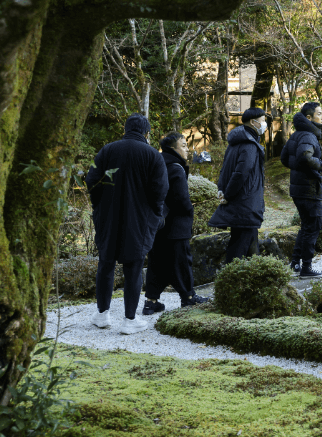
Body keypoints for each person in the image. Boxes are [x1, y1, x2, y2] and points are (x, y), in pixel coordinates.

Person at [85, 113, 168, 334]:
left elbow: (91, 179)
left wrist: (99, 206)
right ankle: (130, 320)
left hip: (108, 215)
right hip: (139, 219)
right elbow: (160, 191)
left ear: (126, 129)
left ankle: (102, 314)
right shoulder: (153, 155)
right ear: (147, 133)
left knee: (106, 263)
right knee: (133, 267)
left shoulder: (107, 150)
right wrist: (156, 216)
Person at [142, 132, 210, 315]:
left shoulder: (156, 164)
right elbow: (181, 199)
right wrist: (190, 210)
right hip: (176, 225)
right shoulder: (175, 167)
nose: (187, 149)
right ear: (173, 148)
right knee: (181, 261)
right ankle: (188, 298)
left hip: (158, 224)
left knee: (157, 263)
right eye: (183, 145)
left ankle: (151, 301)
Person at [208, 108, 267, 266]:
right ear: (253, 122)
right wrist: (227, 194)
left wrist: (222, 189)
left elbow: (225, 170)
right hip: (246, 203)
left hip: (242, 203)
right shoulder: (249, 145)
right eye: (262, 120)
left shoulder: (235, 144)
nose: (264, 124)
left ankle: (258, 280)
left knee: (250, 244)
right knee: (239, 247)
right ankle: (229, 282)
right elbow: (241, 174)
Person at [281, 102, 322, 279]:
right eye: (319, 113)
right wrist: (321, 168)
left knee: (306, 226)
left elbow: (284, 159)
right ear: (309, 118)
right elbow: (304, 157)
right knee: (313, 227)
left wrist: (300, 170)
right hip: (309, 190)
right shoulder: (309, 136)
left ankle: (295, 262)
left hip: (298, 189)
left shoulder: (296, 135)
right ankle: (307, 268)